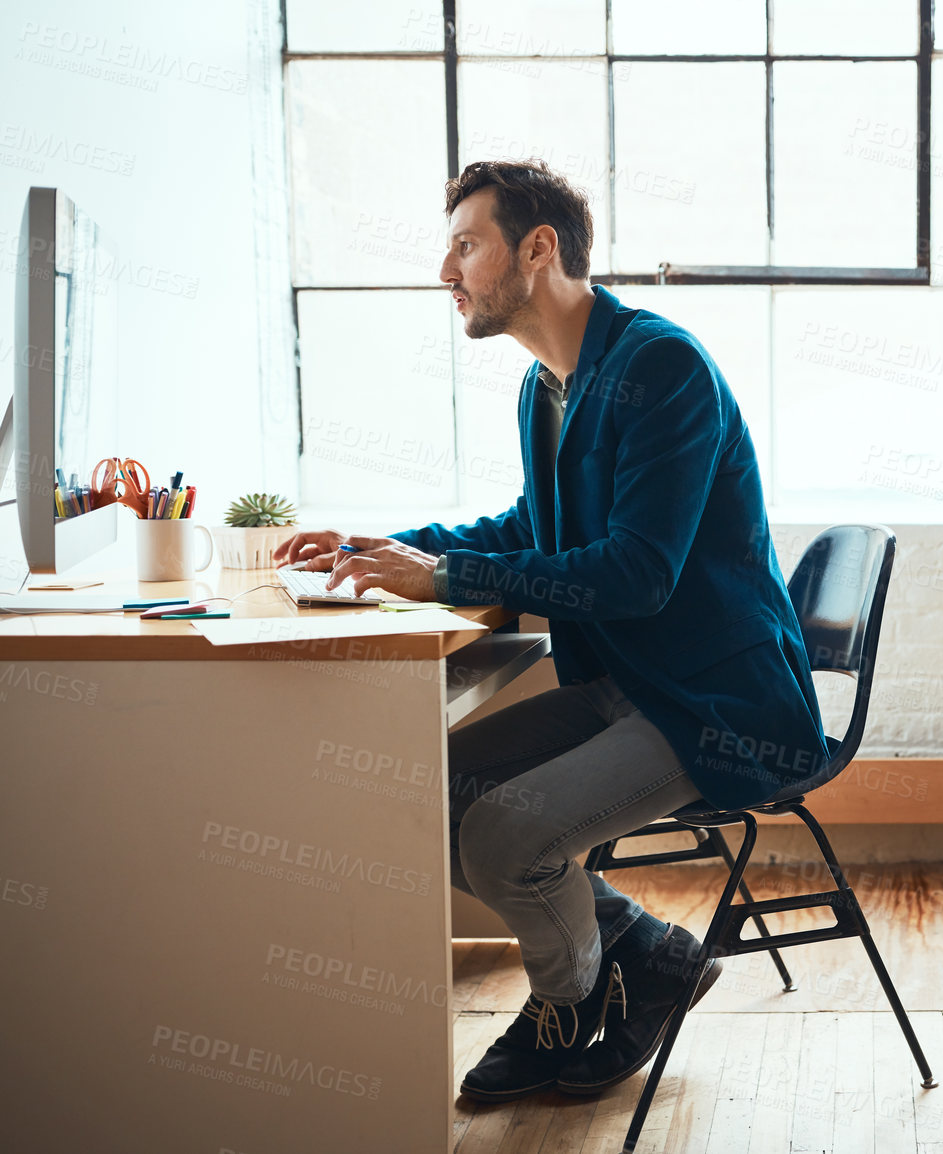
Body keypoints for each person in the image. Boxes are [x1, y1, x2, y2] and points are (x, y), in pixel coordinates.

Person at [274, 159, 828, 1103]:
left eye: (464, 245)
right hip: (629, 687)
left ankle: (565, 1012)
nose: (445, 272)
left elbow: (636, 573)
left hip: (717, 701)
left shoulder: (661, 368)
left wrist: (443, 576)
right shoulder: (548, 385)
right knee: (426, 791)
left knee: (501, 835)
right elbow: (537, 531)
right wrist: (388, 545)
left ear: (537, 250)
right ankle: (646, 953)